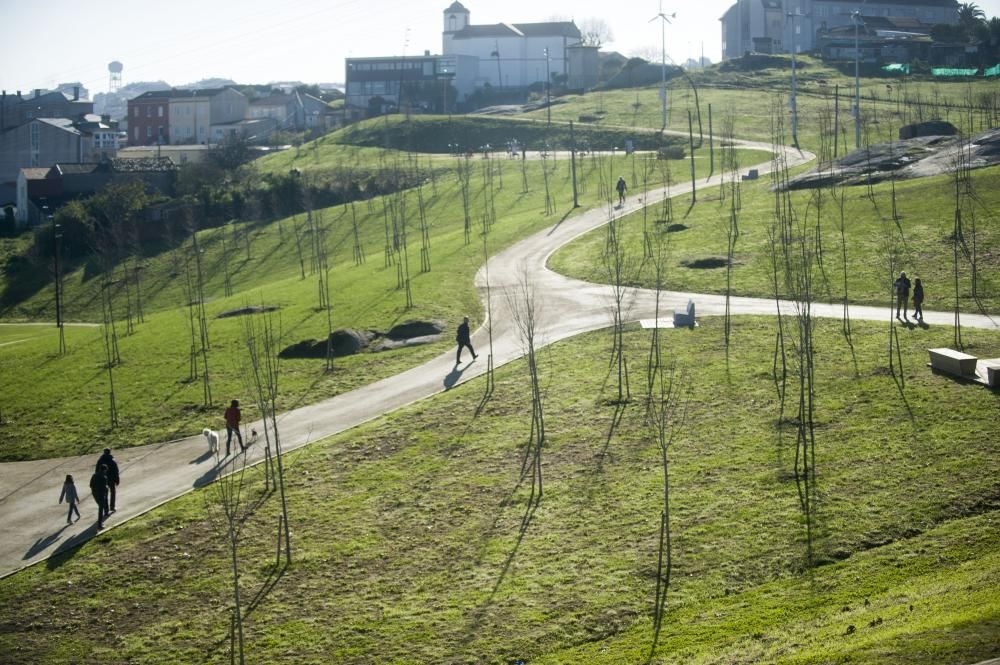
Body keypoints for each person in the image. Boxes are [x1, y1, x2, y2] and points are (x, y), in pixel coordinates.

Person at [96, 448, 120, 512]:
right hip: (111, 479)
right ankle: (112, 506)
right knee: (113, 492)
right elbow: (116, 471)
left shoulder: (100, 460)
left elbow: (97, 471)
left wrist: (97, 480)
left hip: (103, 479)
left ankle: (106, 509)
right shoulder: (112, 460)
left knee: (105, 494)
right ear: (109, 452)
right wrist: (117, 479)